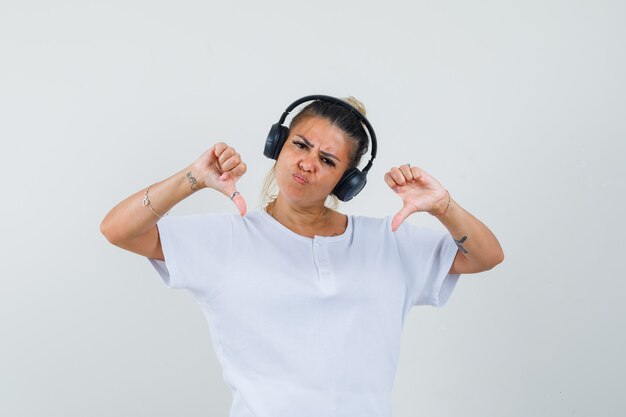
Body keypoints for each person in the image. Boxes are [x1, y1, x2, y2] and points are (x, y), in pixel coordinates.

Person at [100, 95, 504, 417]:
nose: (307, 163)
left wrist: (442, 206)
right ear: (278, 145)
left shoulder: (388, 242)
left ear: (347, 182)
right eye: (300, 144)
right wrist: (193, 179)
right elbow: (118, 229)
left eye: (327, 160)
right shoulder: (229, 239)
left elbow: (486, 256)